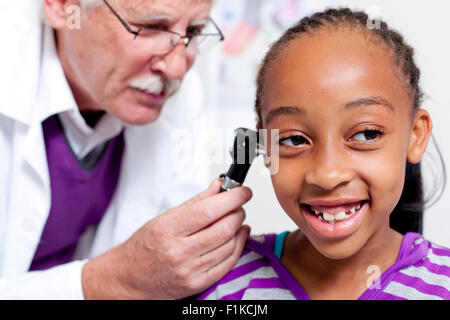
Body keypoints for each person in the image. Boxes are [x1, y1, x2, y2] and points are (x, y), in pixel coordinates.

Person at [0, 0, 253, 299]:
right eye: (151, 28)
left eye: (195, 31)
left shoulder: (179, 99)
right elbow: (127, 281)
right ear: (62, 8)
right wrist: (107, 281)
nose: (176, 68)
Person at [196, 8, 450, 300]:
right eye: (293, 139)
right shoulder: (217, 281)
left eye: (367, 134)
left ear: (415, 136)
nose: (327, 175)